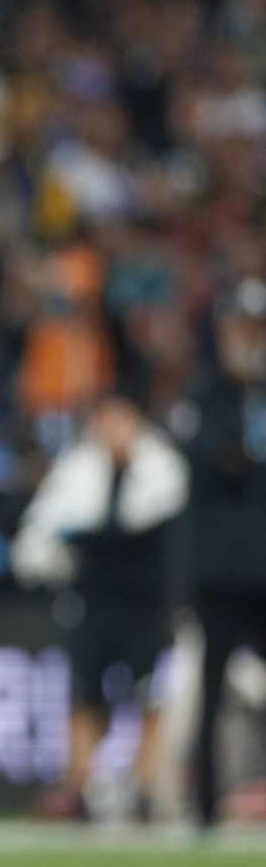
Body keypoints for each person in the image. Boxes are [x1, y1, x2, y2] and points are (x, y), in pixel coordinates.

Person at [10, 393, 188, 821]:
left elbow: (160, 527)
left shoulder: (162, 468)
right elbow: (42, 532)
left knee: (149, 695)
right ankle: (79, 787)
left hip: (146, 601)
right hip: (92, 600)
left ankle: (146, 789)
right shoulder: (76, 469)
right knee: (84, 694)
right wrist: (47, 561)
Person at [185, 278, 266, 827]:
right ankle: (205, 805)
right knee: (209, 690)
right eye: (240, 327)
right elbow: (211, 461)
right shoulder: (206, 394)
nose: (248, 339)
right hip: (219, 572)